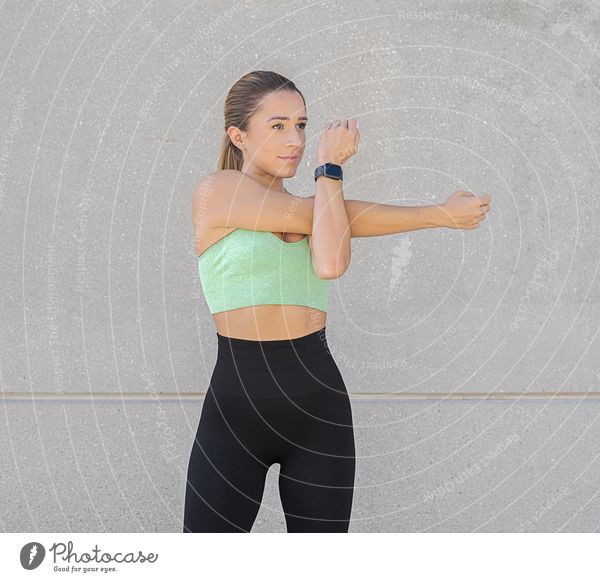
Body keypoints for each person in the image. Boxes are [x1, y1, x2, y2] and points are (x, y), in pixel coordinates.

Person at [183, 70, 491, 533]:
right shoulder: (216, 192)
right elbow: (327, 219)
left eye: (303, 125)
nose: (296, 139)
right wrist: (334, 171)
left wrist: (336, 177)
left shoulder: (319, 207)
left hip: (318, 407)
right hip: (237, 407)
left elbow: (330, 260)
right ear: (238, 136)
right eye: (278, 125)